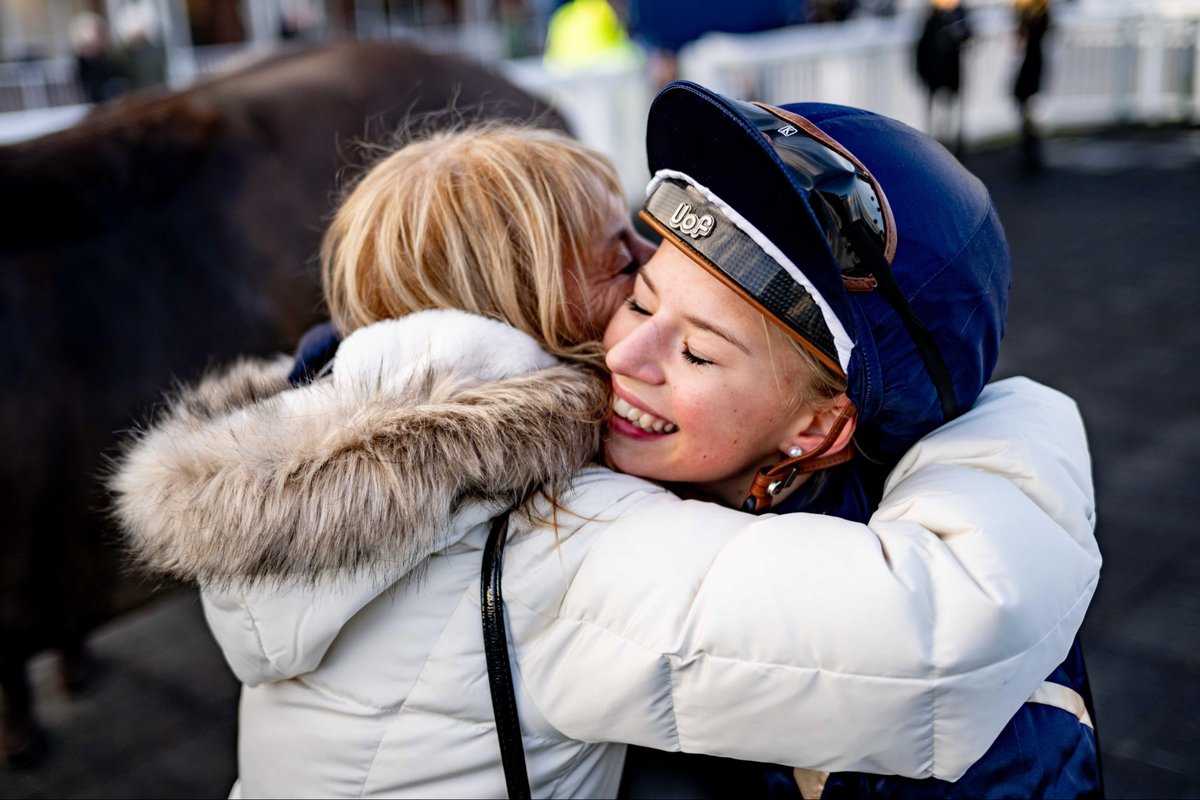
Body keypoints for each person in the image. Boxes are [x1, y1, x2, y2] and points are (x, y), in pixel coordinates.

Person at [110, 110, 1099, 798]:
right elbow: (948, 627)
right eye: (630, 272)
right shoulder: (549, 535)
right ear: (528, 308)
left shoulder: (327, 431)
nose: (627, 348)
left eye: (695, 341)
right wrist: (1017, 415)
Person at [915, 0, 972, 156]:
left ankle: (951, 142)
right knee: (937, 110)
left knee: (950, 108)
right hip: (936, 72)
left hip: (950, 71)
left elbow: (967, 34)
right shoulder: (932, 19)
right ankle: (937, 141)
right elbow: (924, 48)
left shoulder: (957, 16)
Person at [1013, 0, 1052, 173]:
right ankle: (1031, 154)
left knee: (1028, 109)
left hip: (1031, 66)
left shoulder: (1037, 16)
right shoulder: (1038, 14)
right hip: (1031, 65)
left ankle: (1031, 155)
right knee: (1028, 109)